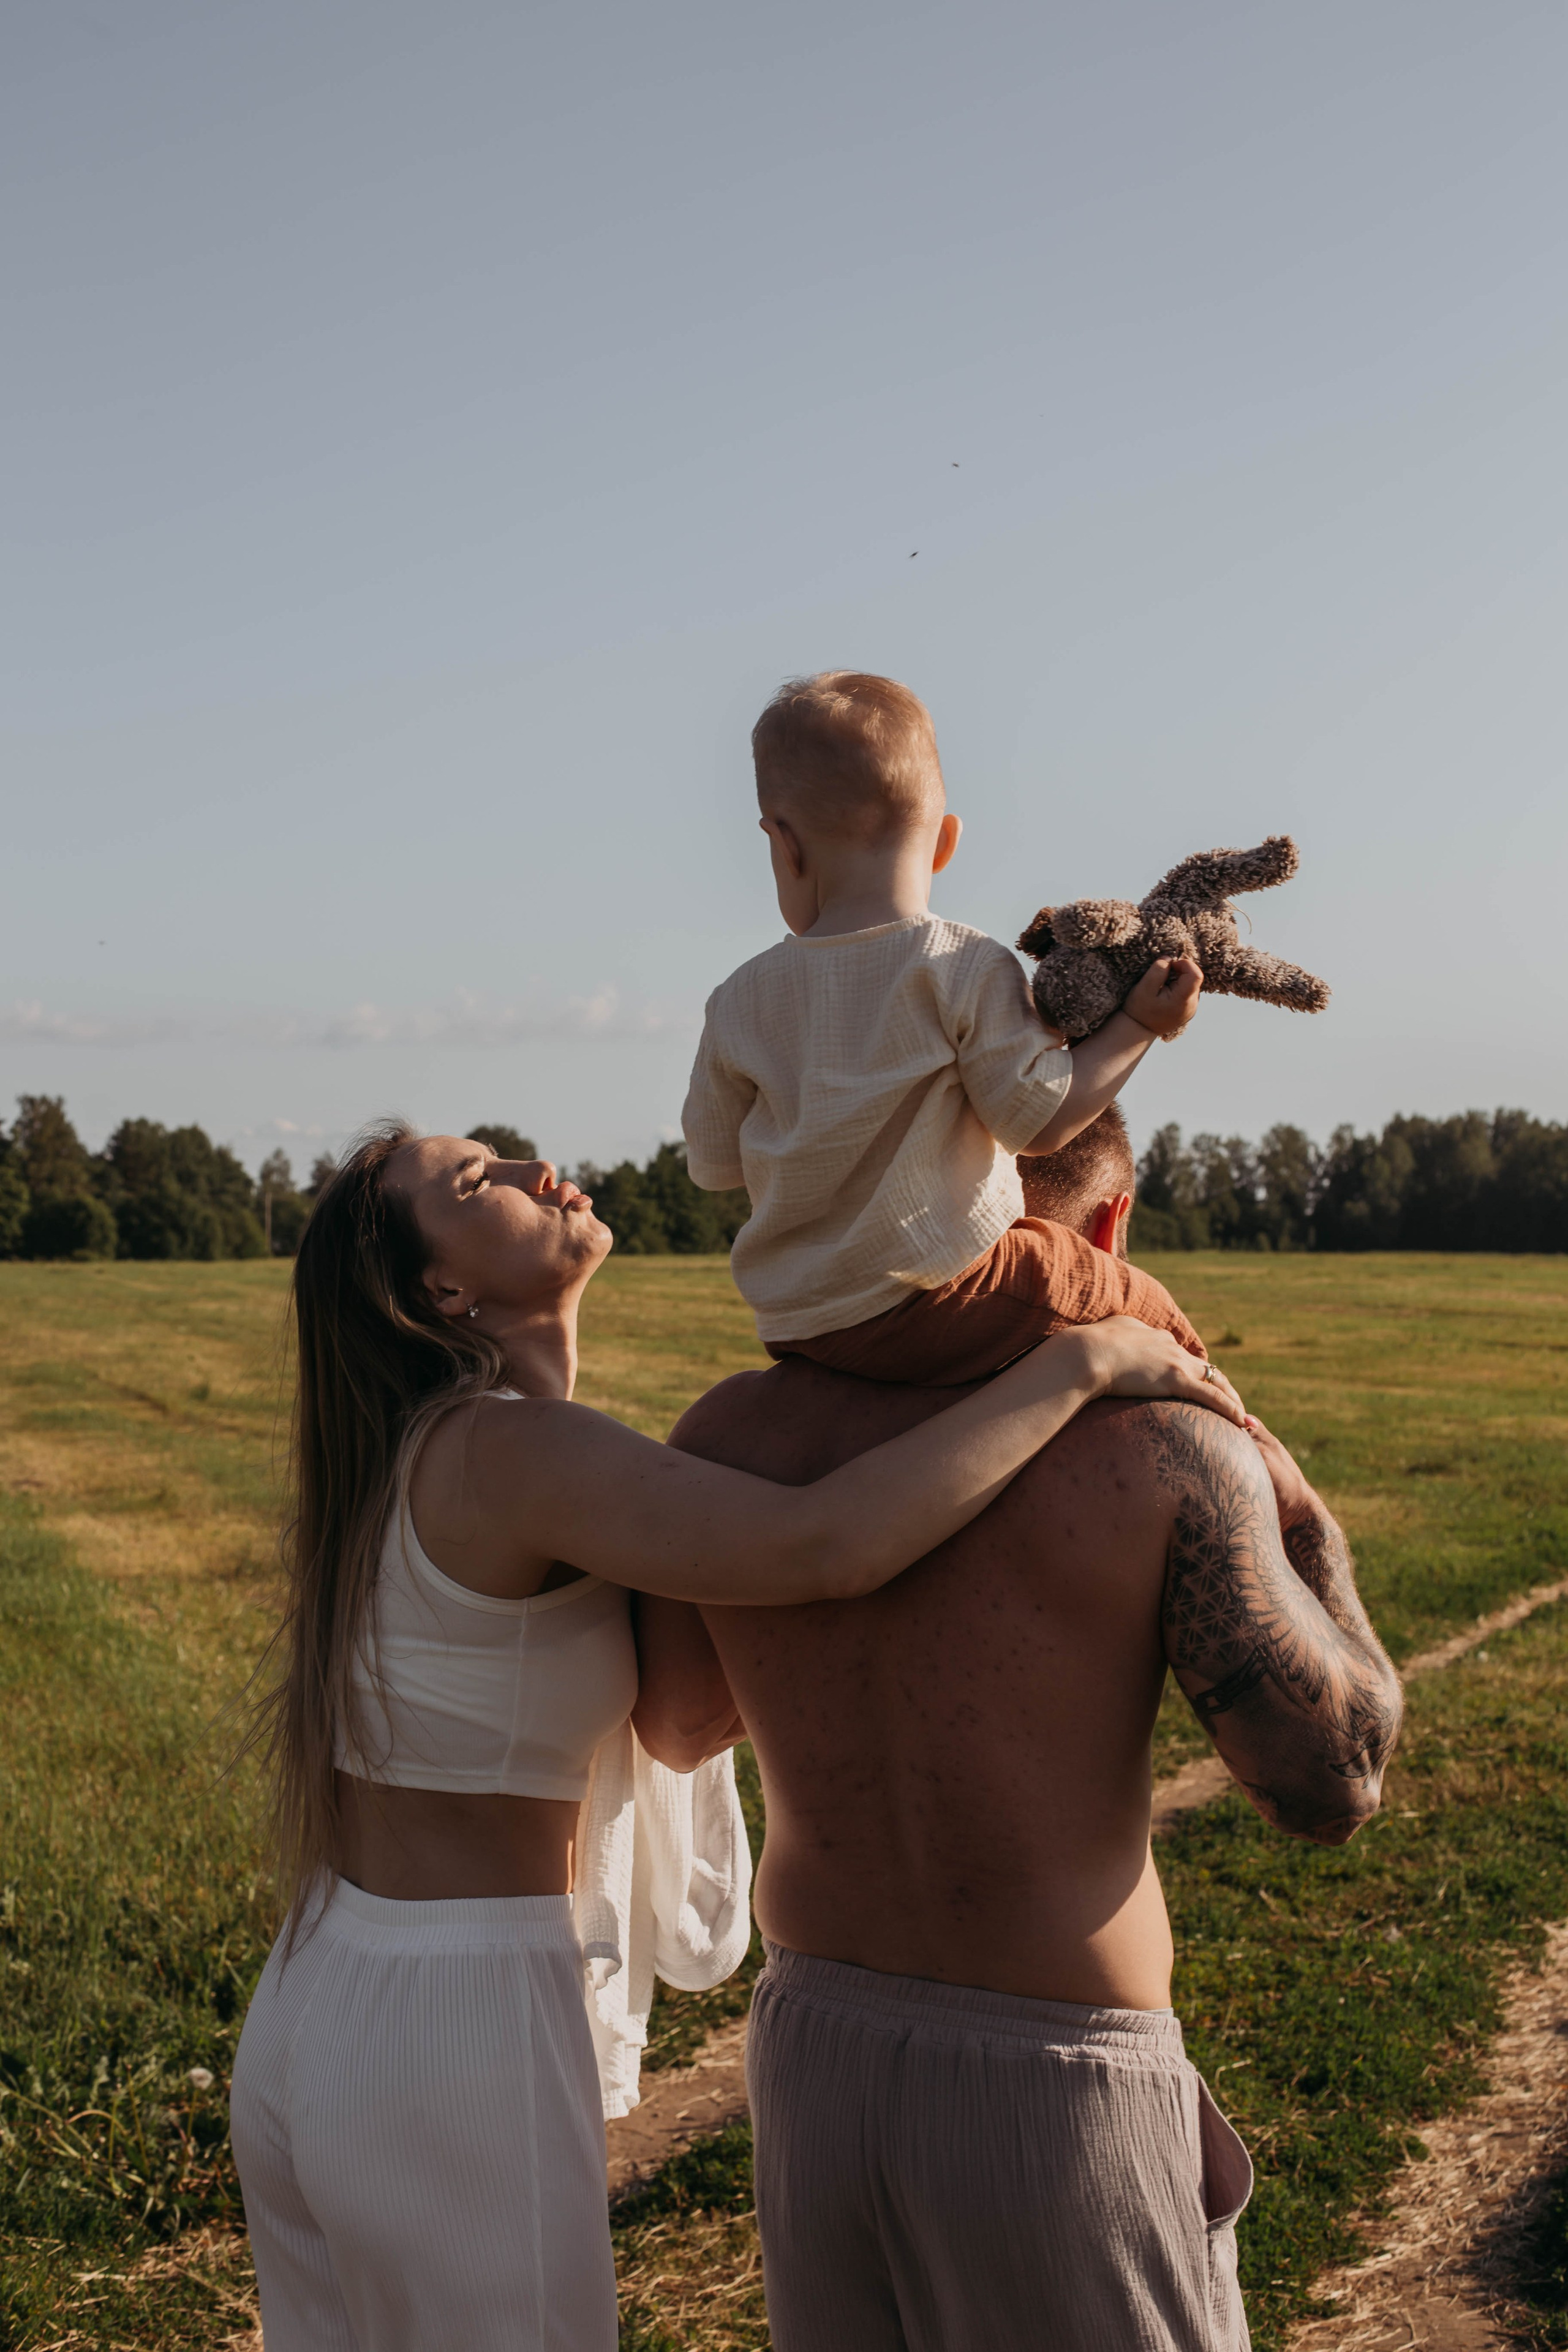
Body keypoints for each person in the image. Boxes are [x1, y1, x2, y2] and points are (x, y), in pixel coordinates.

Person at [228, 1125, 1245, 2352]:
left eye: (498, 1151)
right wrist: (1079, 1366)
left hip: (325, 1991)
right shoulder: (506, 1448)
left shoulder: (416, 1451)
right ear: (444, 1291)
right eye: (471, 1183)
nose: (520, 1167)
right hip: (451, 2025)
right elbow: (824, 1545)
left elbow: (675, 1703)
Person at [655, 1106, 1404, 2352]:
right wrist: (1307, 1528)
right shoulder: (1161, 1445)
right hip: (1056, 2081)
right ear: (1106, 1228)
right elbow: (1329, 1782)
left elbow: (679, 1723)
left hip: (811, 2054)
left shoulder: (729, 1435)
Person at [682, 669, 1210, 1387]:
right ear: (945, 842)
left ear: (783, 844)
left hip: (797, 1322)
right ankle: (1240, 1437)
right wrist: (1139, 1027)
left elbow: (713, 1164)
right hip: (944, 1293)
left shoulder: (737, 999)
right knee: (1137, 1301)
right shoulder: (962, 964)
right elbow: (1043, 1126)